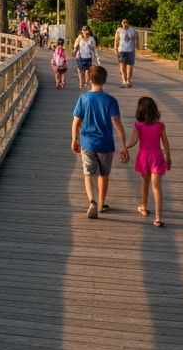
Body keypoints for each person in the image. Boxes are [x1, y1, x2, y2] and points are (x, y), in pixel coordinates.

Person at [71, 64, 129, 218]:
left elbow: (76, 122)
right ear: (105, 80)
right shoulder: (111, 100)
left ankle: (92, 201)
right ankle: (102, 204)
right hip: (106, 144)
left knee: (88, 173)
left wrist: (74, 139)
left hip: (88, 142)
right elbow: (117, 124)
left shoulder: (83, 99)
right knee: (103, 174)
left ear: (89, 78)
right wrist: (124, 146)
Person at [126, 95, 172, 227]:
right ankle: (158, 217)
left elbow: (133, 141)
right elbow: (166, 145)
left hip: (143, 157)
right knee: (157, 188)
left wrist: (124, 147)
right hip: (157, 157)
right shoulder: (160, 126)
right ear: (154, 110)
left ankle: (144, 207)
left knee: (144, 183)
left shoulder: (138, 126)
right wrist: (168, 158)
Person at [73, 25, 98, 90]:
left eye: (87, 30)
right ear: (82, 31)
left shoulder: (91, 39)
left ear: (89, 31)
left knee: (88, 72)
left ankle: (86, 82)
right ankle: (81, 84)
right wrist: (75, 50)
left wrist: (96, 55)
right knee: (81, 72)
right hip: (80, 57)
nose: (86, 32)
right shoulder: (79, 38)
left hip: (88, 57)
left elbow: (94, 48)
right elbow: (75, 46)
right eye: (84, 30)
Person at [114, 18, 137, 88]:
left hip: (130, 50)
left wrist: (134, 49)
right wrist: (115, 48)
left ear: (128, 23)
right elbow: (116, 40)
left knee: (130, 66)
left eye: (126, 22)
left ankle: (128, 80)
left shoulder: (132, 30)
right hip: (121, 50)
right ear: (121, 24)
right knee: (122, 66)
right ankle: (124, 81)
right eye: (123, 23)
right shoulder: (119, 30)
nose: (125, 24)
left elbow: (134, 40)